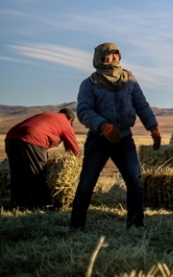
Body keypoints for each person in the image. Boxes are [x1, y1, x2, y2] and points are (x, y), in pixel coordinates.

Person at [70, 42, 162, 230]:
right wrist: (103, 126)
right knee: (87, 183)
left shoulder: (129, 80)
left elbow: (141, 105)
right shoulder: (90, 83)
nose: (112, 58)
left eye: (115, 54)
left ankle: (136, 225)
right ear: (99, 59)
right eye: (108, 55)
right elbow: (84, 111)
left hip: (124, 139)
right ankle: (76, 227)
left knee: (135, 180)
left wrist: (153, 127)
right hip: (98, 140)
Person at [4, 108, 80, 209]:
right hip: (32, 138)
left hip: (11, 137)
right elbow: (73, 147)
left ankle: (19, 204)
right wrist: (76, 163)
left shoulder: (47, 115)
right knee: (38, 172)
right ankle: (41, 205)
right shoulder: (65, 122)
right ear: (71, 119)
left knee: (18, 173)